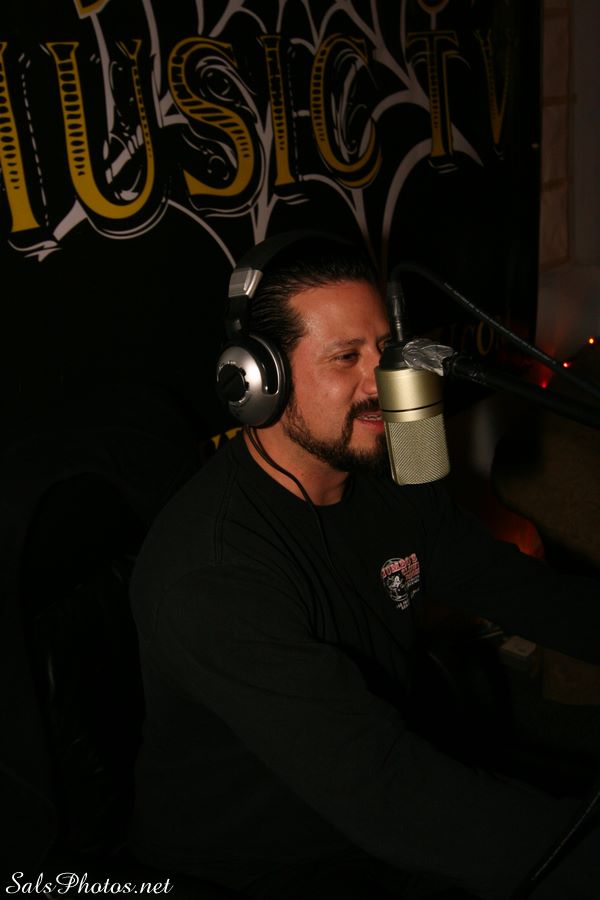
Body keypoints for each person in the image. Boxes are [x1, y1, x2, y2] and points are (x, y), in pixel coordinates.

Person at [129, 233, 600, 899]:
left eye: (386, 350)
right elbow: (388, 789)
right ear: (259, 382)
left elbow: (516, 587)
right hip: (257, 865)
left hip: (368, 794)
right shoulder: (213, 575)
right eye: (345, 357)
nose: (383, 381)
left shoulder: (389, 469)